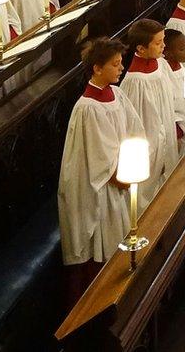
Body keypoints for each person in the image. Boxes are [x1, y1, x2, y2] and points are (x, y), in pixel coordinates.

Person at [57, 37, 143, 301]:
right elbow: (100, 158)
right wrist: (124, 176)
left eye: (121, 64)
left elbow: (134, 128)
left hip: (122, 179)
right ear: (96, 68)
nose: (121, 69)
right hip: (103, 187)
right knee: (106, 246)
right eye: (115, 65)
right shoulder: (87, 108)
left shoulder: (116, 94)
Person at [118, 20, 180, 208]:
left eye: (163, 41)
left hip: (168, 132)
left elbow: (174, 95)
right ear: (141, 48)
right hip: (150, 146)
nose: (164, 46)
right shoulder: (134, 82)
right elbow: (137, 125)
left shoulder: (161, 64)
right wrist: (156, 150)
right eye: (158, 42)